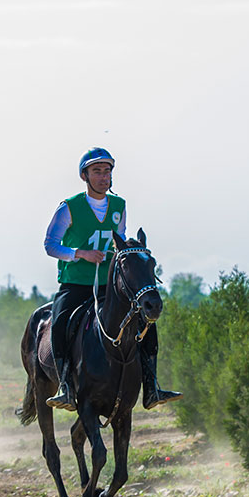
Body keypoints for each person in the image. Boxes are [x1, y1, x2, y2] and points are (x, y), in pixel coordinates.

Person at [43, 147, 180, 412]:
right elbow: (50, 245)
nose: (103, 177)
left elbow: (119, 241)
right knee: (60, 322)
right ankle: (65, 387)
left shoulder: (119, 206)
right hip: (76, 283)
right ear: (85, 176)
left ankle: (151, 386)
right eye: (97, 171)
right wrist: (79, 253)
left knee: (145, 322)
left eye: (107, 171)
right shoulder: (68, 208)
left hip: (109, 285)